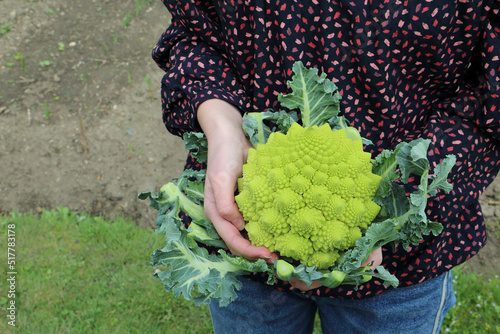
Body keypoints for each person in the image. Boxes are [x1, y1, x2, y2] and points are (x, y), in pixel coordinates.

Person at [152, 1, 500, 333]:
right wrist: (222, 126)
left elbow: (491, 97)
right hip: (242, 238)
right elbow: (195, 32)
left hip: (401, 269)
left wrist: (397, 207)